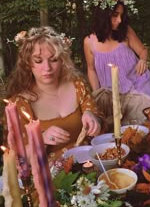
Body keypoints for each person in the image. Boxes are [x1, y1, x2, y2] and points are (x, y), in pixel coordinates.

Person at [3, 26, 104, 162]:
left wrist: (94, 118)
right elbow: (12, 157)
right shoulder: (19, 104)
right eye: (38, 61)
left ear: (62, 60)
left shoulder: (77, 84)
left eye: (54, 59)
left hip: (90, 164)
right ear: (28, 63)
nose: (47, 68)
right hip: (50, 179)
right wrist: (40, 140)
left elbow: (100, 122)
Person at [84, 0, 150, 127]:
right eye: (115, 15)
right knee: (112, 128)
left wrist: (142, 60)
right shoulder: (89, 42)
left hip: (136, 85)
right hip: (111, 92)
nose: (120, 20)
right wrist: (97, 93)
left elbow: (143, 50)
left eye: (121, 15)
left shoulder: (126, 31)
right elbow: (91, 69)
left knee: (145, 123)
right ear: (103, 16)